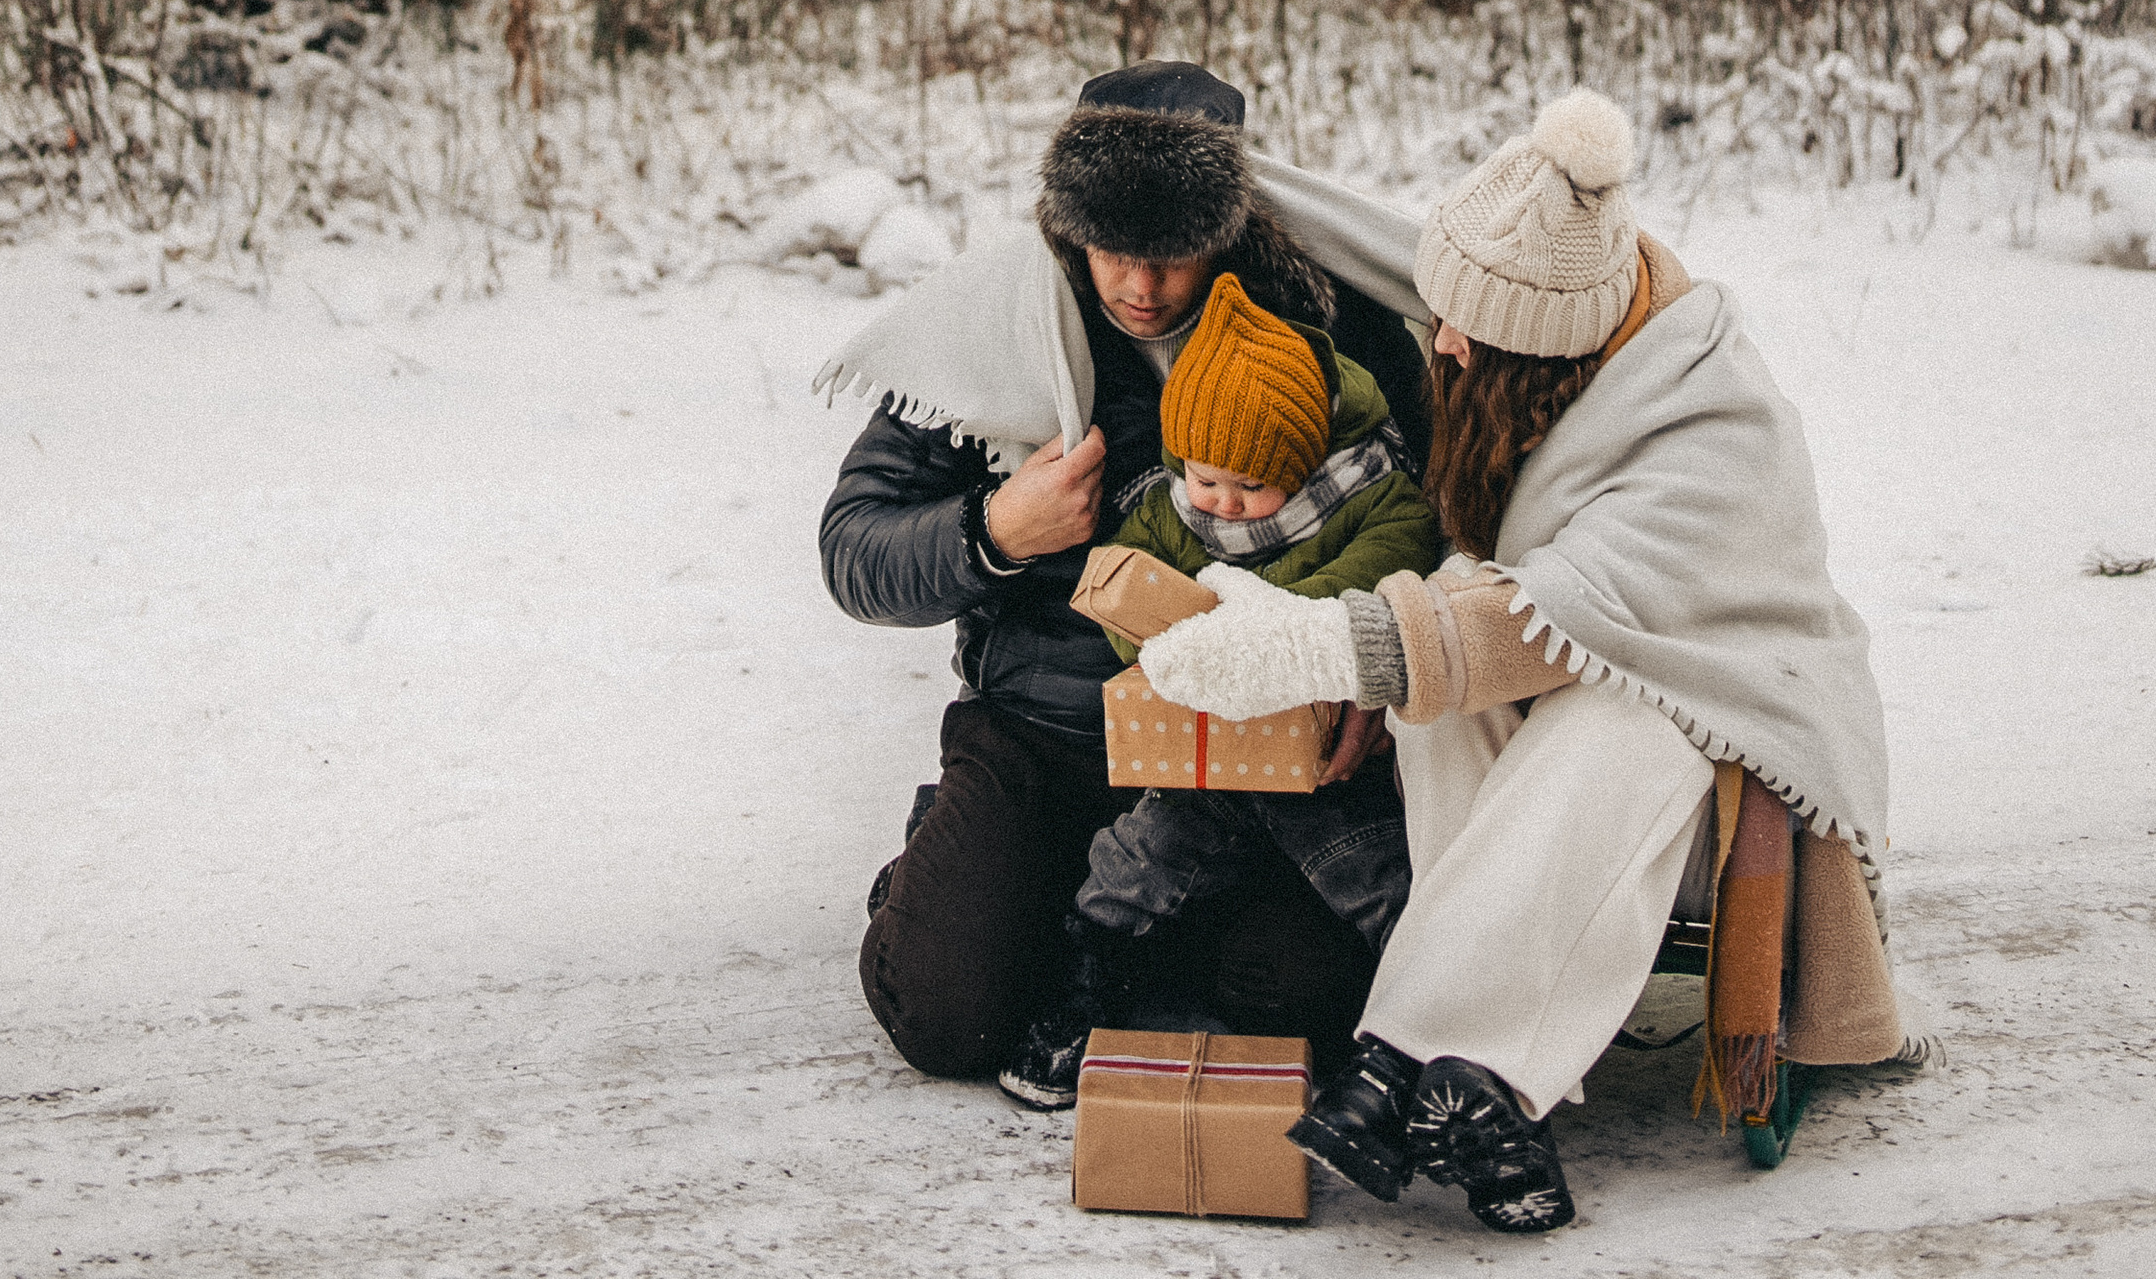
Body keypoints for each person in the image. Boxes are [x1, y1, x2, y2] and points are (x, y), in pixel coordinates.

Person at [1140, 90, 1911, 1236]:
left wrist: (1315, 644)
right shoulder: (1554, 348)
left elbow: (1540, 623)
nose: (1439, 342)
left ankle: (1409, 1053)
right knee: (1442, 711)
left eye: (1464, 332)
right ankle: (1491, 1104)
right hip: (1576, 786)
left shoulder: (1713, 432)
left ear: (1540, 347)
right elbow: (1491, 611)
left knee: (1624, 724)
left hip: (1729, 769)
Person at [816, 62, 1433, 1080]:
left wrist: (1382, 663)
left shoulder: (1327, 322)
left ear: (1229, 227)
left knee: (1306, 998)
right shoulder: (991, 325)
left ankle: (1135, 925)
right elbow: (852, 549)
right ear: (1069, 225)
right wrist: (994, 529)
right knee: (942, 1014)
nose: (1140, 288)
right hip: (1050, 736)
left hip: (1262, 748)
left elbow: (1431, 517)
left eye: (1174, 255)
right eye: (1112, 251)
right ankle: (975, 871)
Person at [995, 266, 1439, 1110]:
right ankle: (1082, 994)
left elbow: (1383, 568)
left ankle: (1425, 1035)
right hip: (1205, 756)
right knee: (1135, 862)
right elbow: (1123, 579)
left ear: (1307, 466)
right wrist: (1161, 625)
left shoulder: (1371, 501)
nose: (1226, 507)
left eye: (1253, 488)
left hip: (1323, 764)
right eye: (1208, 481)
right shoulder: (1173, 510)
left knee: (1379, 878)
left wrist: (1263, 628)